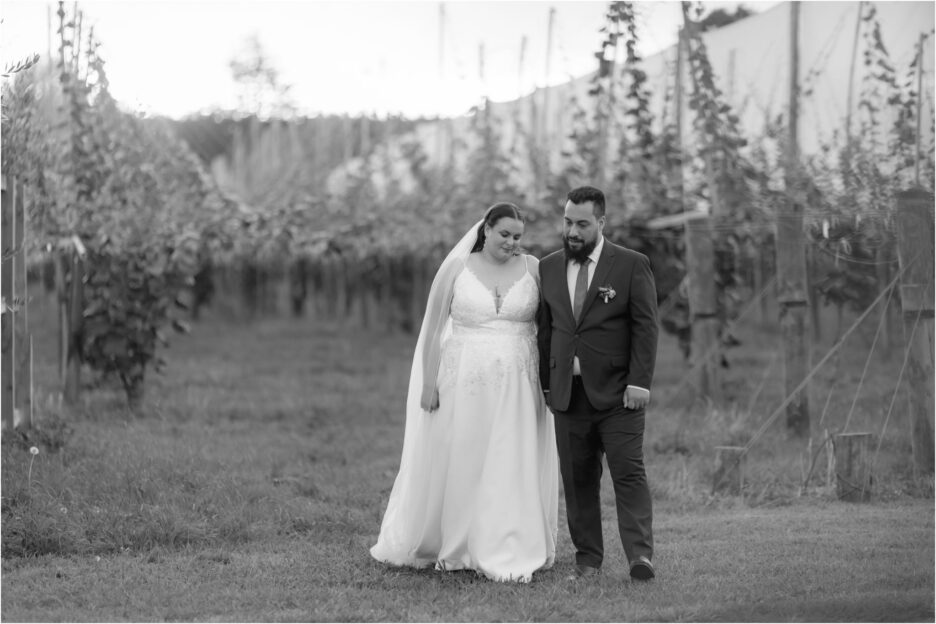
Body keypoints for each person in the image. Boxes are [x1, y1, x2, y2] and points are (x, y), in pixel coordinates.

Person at [371, 202, 558, 583]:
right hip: (463, 378)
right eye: (504, 234)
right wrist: (428, 384)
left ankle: (507, 540)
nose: (511, 242)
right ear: (485, 230)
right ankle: (458, 542)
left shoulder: (534, 269)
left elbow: (552, 324)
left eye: (518, 236)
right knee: (465, 455)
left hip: (519, 382)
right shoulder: (457, 269)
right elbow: (434, 330)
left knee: (512, 456)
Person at [536, 185, 659, 581]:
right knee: (578, 481)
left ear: (602, 223)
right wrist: (546, 384)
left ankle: (640, 557)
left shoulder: (630, 264)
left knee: (628, 472)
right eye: (568, 221)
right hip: (567, 396)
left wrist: (640, 382)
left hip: (620, 395)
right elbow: (545, 330)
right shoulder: (549, 267)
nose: (572, 231)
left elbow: (645, 327)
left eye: (582, 224)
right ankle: (588, 561)